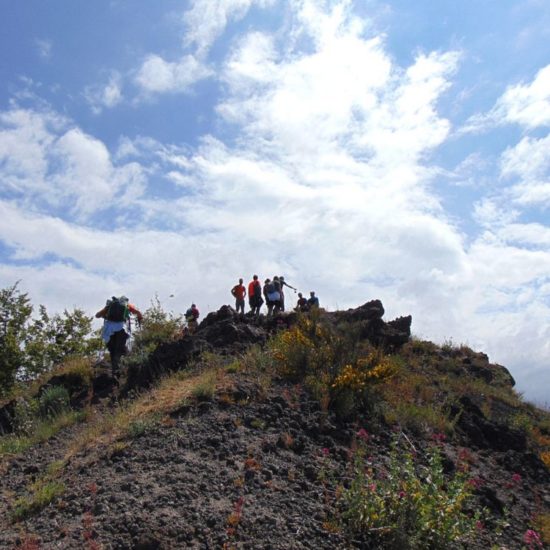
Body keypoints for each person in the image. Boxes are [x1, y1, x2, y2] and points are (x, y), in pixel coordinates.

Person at [96, 296, 143, 377]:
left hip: (109, 331)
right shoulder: (127, 305)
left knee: (113, 351)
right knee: (119, 349)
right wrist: (140, 318)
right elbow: (138, 313)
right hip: (122, 329)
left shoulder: (109, 305)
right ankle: (123, 367)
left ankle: (115, 371)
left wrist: (105, 315)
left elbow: (97, 315)